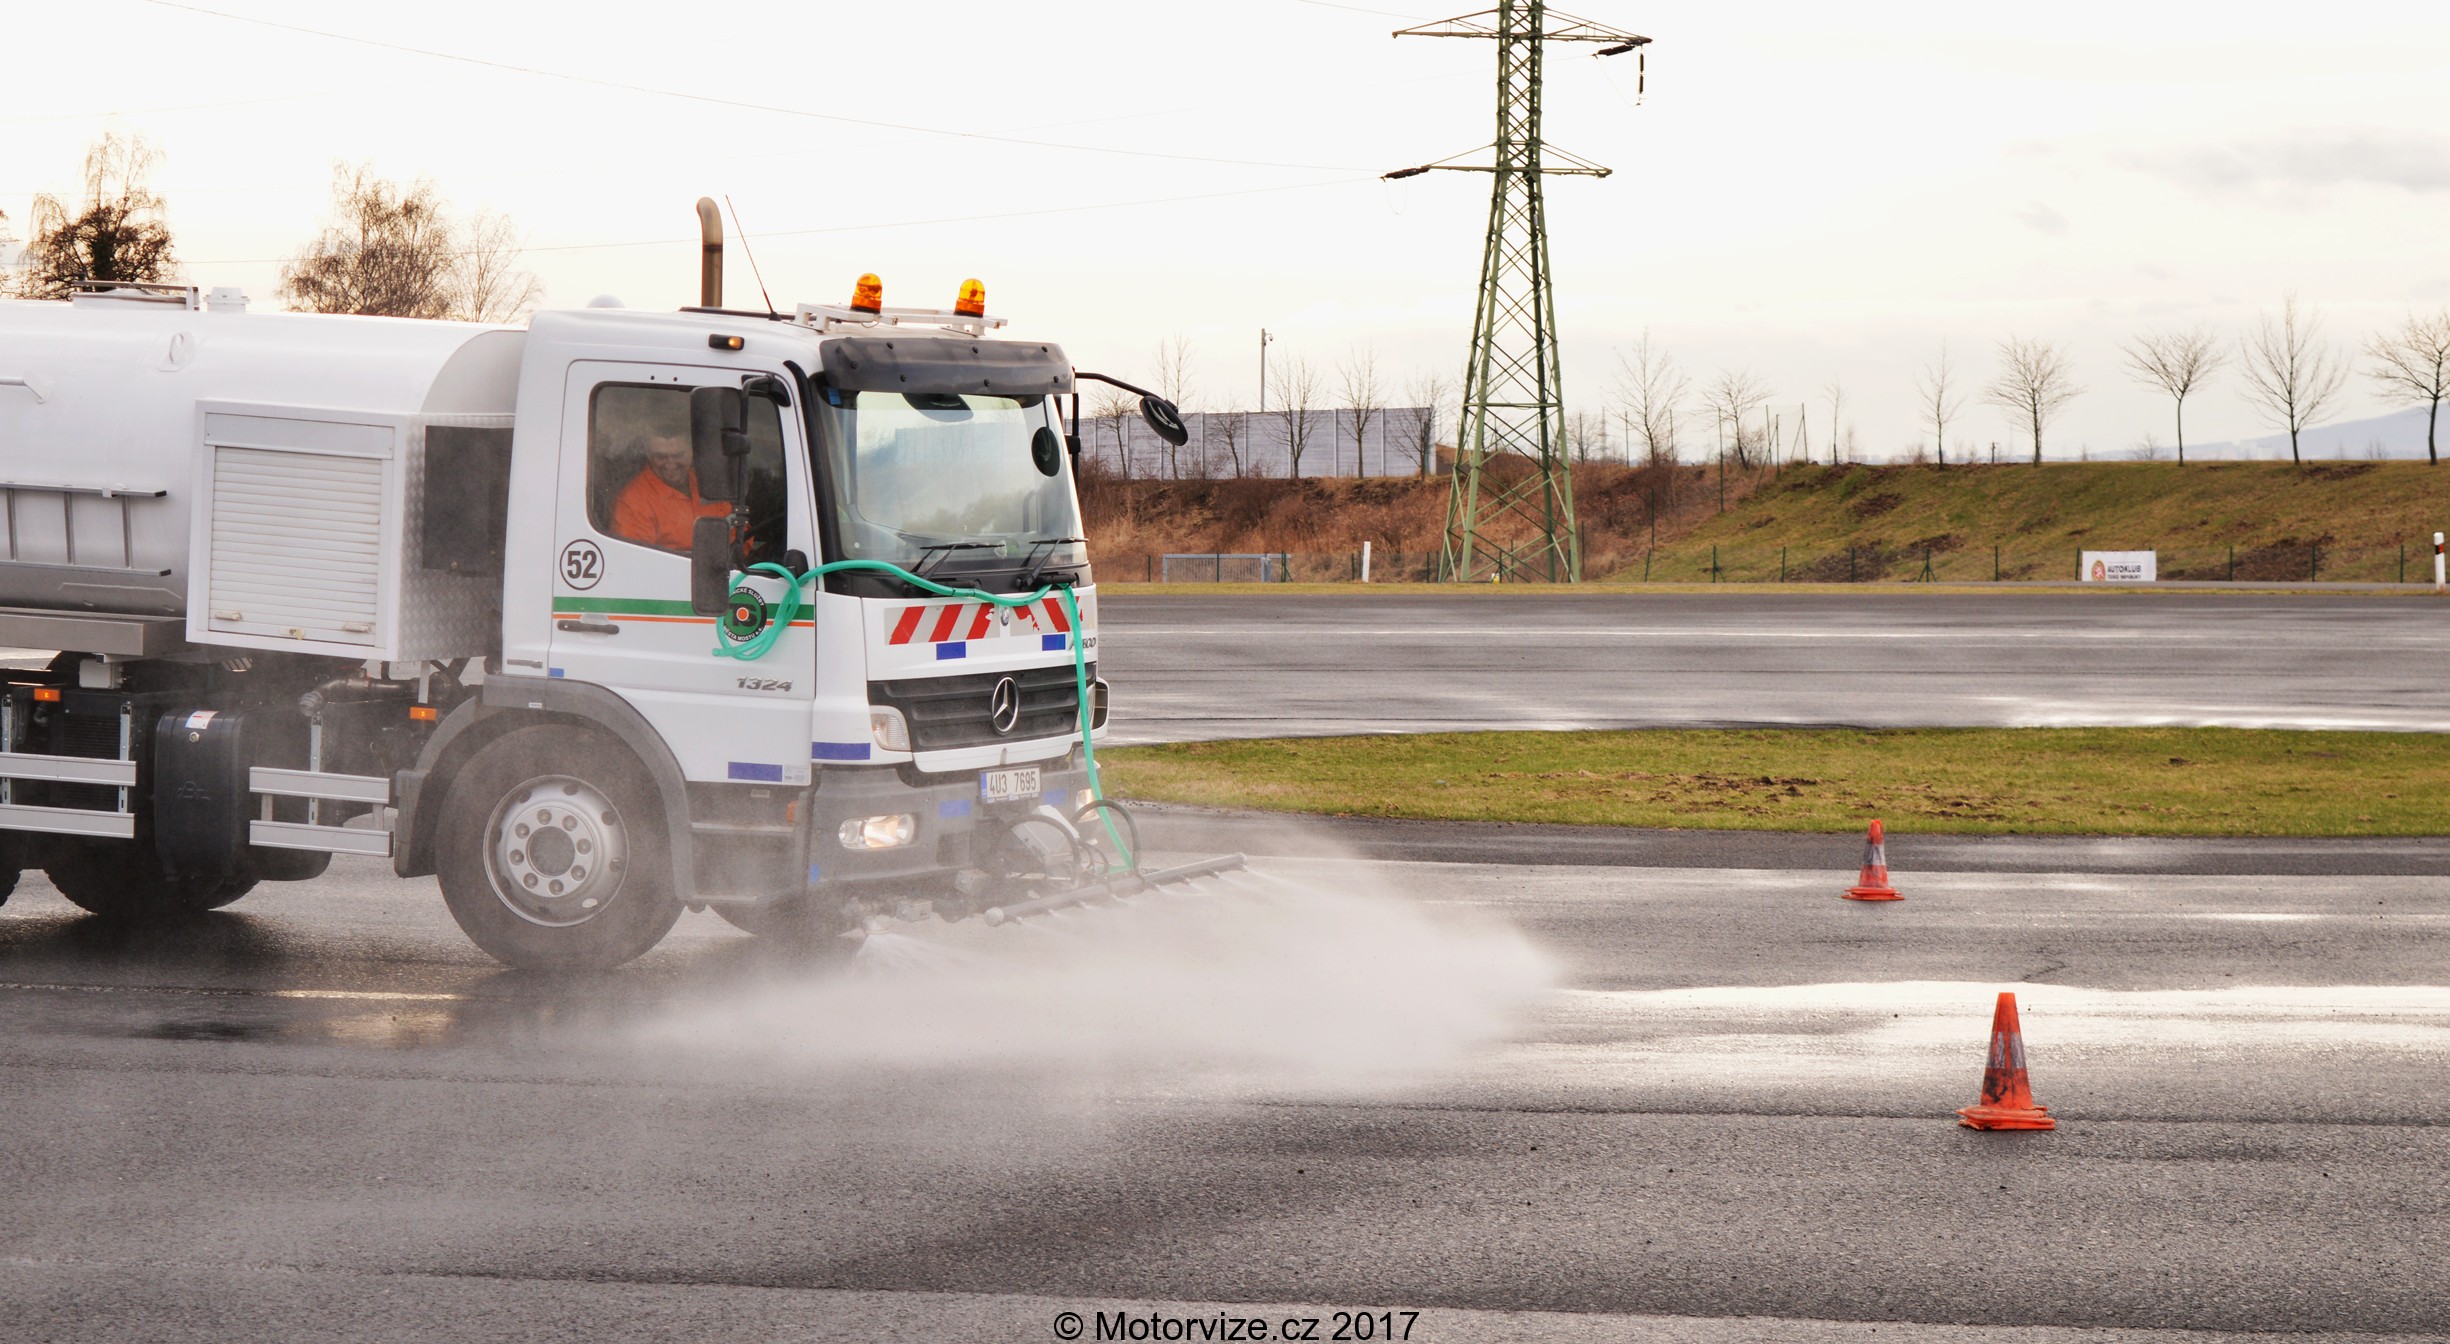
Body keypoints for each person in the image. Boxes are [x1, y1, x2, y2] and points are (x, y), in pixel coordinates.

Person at [610, 419, 726, 552]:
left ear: (692, 452)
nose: (670, 463)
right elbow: (637, 559)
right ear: (648, 455)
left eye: (678, 455)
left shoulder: (710, 485)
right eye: (661, 457)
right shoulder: (633, 501)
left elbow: (737, 532)